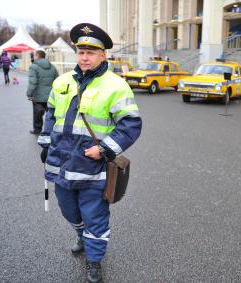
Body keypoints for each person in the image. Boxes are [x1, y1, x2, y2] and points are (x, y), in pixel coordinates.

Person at [37, 23, 142, 283]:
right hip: (61, 164)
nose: (84, 57)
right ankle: (82, 236)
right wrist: (46, 142)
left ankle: (94, 260)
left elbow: (131, 123)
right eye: (81, 51)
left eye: (91, 52)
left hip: (92, 168)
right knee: (69, 211)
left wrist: (104, 148)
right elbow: (50, 114)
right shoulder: (62, 82)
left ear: (103, 55)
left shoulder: (116, 86)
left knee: (95, 216)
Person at [26, 49, 59, 134]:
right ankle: (52, 130)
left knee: (37, 114)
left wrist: (29, 94)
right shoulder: (52, 67)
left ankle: (37, 129)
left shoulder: (34, 67)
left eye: (35, 55)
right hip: (51, 96)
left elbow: (33, 82)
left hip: (38, 96)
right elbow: (58, 81)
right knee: (51, 114)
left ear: (37, 56)